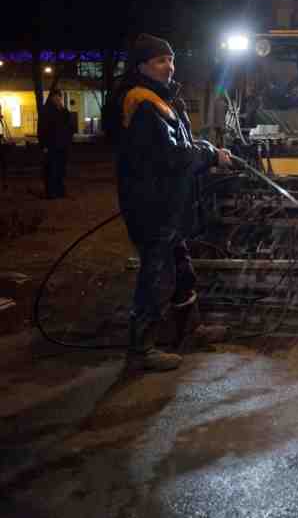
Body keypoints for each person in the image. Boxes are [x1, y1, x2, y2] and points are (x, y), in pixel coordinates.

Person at [107, 33, 233, 372]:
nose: (170, 66)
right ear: (142, 66)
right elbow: (170, 156)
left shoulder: (161, 101)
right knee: (156, 275)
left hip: (167, 206)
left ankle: (189, 329)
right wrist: (211, 157)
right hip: (151, 207)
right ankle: (140, 350)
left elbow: (182, 142)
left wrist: (206, 148)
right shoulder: (142, 103)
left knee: (180, 268)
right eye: (161, 60)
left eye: (171, 59)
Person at [38, 89, 76, 199]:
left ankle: (59, 190)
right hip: (52, 145)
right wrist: (44, 145)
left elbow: (69, 125)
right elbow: (42, 129)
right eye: (57, 97)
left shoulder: (63, 111)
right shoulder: (46, 111)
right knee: (51, 169)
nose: (59, 99)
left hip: (61, 145)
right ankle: (51, 191)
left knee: (60, 168)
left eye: (59, 97)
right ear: (52, 97)